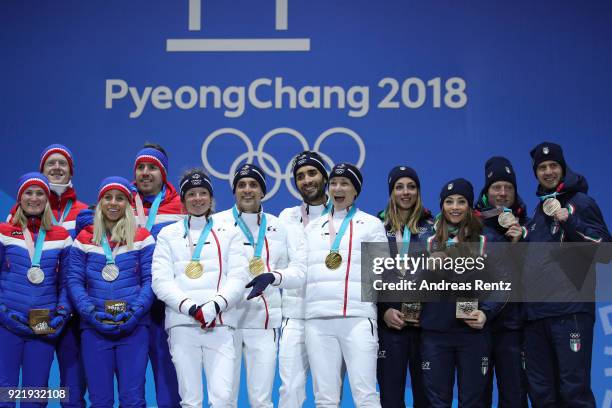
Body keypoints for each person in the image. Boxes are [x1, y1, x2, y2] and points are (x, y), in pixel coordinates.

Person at [151, 169, 249, 408]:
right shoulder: (168, 234)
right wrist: (192, 308)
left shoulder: (230, 232)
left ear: (211, 197)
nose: (197, 198)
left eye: (203, 193)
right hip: (183, 325)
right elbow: (160, 281)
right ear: (183, 199)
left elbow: (238, 276)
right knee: (191, 400)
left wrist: (214, 306)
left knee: (223, 398)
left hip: (221, 324)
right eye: (191, 193)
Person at [522, 142, 611, 407]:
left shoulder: (580, 202)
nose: (548, 172)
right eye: (542, 168)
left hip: (569, 313)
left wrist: (568, 220)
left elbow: (605, 251)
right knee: (542, 394)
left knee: (574, 392)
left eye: (553, 166)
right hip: (537, 317)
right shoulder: (538, 212)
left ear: (563, 168)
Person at [294, 163, 386, 407]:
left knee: (365, 394)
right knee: (325, 398)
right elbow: (300, 270)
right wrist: (276, 277)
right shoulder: (312, 228)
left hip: (357, 318)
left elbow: (381, 273)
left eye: (345, 183)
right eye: (334, 183)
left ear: (355, 191)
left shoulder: (371, 224)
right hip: (318, 321)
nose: (338, 188)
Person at [215, 163, 306, 408]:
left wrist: (273, 276)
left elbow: (296, 270)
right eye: (241, 185)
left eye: (253, 185)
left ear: (263, 191)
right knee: (223, 399)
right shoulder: (216, 223)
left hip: (264, 323)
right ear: (234, 191)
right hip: (226, 323)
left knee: (261, 400)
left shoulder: (278, 226)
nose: (247, 190)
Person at [68, 176, 155, 408]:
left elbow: (150, 280)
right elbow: (74, 281)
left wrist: (135, 313)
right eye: (107, 197)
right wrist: (91, 314)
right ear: (100, 203)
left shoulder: (143, 238)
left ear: (128, 204)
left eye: (119, 198)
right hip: (94, 329)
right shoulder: (84, 239)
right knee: (100, 400)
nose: (113, 203)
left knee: (133, 400)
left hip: (134, 329)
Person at [419, 178, 500, 407]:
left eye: (461, 201)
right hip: (435, 334)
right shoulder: (428, 242)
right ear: (442, 206)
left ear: (470, 206)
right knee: (437, 402)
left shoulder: (486, 241)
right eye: (449, 201)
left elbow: (502, 285)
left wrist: (486, 312)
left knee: (473, 402)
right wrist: (428, 270)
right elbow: (413, 287)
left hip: (472, 334)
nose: (455, 207)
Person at [0, 173, 72, 407]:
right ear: (19, 198)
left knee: (36, 393)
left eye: (40, 193)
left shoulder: (61, 236)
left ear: (47, 198)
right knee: (4, 392)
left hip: (43, 323)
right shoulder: (4, 232)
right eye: (28, 193)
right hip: (7, 323)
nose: (34, 198)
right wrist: (3, 313)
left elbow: (66, 281)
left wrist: (61, 313)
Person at [376, 166, 433, 408]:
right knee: (390, 398)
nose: (405, 192)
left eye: (411, 187)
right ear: (391, 192)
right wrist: (384, 312)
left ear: (418, 191)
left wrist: (429, 314)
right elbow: (368, 276)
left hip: (424, 328)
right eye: (399, 187)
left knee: (426, 396)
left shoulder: (434, 228)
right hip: (389, 326)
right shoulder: (376, 227)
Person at [277, 151, 330, 408]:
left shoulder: (345, 217)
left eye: (312, 173)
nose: (306, 180)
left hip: (328, 316)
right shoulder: (285, 218)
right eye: (300, 176)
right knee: (290, 389)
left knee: (327, 392)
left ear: (324, 176)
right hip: (294, 316)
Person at [475, 157, 529, 407]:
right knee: (476, 395)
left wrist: (520, 244)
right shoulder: (470, 224)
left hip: (513, 328)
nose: (503, 193)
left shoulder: (527, 225)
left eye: (509, 188)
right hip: (477, 326)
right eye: (497, 187)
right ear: (487, 191)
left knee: (514, 395)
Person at [133, 144, 183, 408]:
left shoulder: (182, 206)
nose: (145, 173)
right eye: (140, 167)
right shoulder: (120, 202)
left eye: (152, 167)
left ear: (163, 172)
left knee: (168, 385)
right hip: (131, 307)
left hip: (167, 309)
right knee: (132, 384)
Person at [39, 144, 88, 408]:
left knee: (72, 388)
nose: (57, 168)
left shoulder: (85, 211)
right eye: (51, 163)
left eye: (62, 164)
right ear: (42, 170)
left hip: (73, 311)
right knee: (35, 386)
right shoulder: (23, 210)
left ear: (71, 171)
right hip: (38, 307)